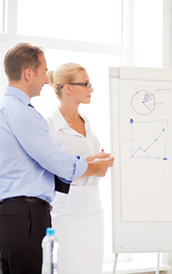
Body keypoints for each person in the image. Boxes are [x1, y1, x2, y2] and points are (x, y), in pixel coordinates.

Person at [0, 42, 113, 274]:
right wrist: (92, 167)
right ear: (28, 73)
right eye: (43, 72)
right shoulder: (24, 114)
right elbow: (55, 161)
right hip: (26, 214)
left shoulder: (7, 108)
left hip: (16, 212)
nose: (46, 79)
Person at [46, 63, 112, 274]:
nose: (91, 89)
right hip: (68, 209)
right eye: (85, 84)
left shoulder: (86, 122)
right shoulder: (49, 127)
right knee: (71, 267)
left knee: (94, 268)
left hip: (93, 207)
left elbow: (77, 160)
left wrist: (95, 161)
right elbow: (54, 170)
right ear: (68, 88)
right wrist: (92, 167)